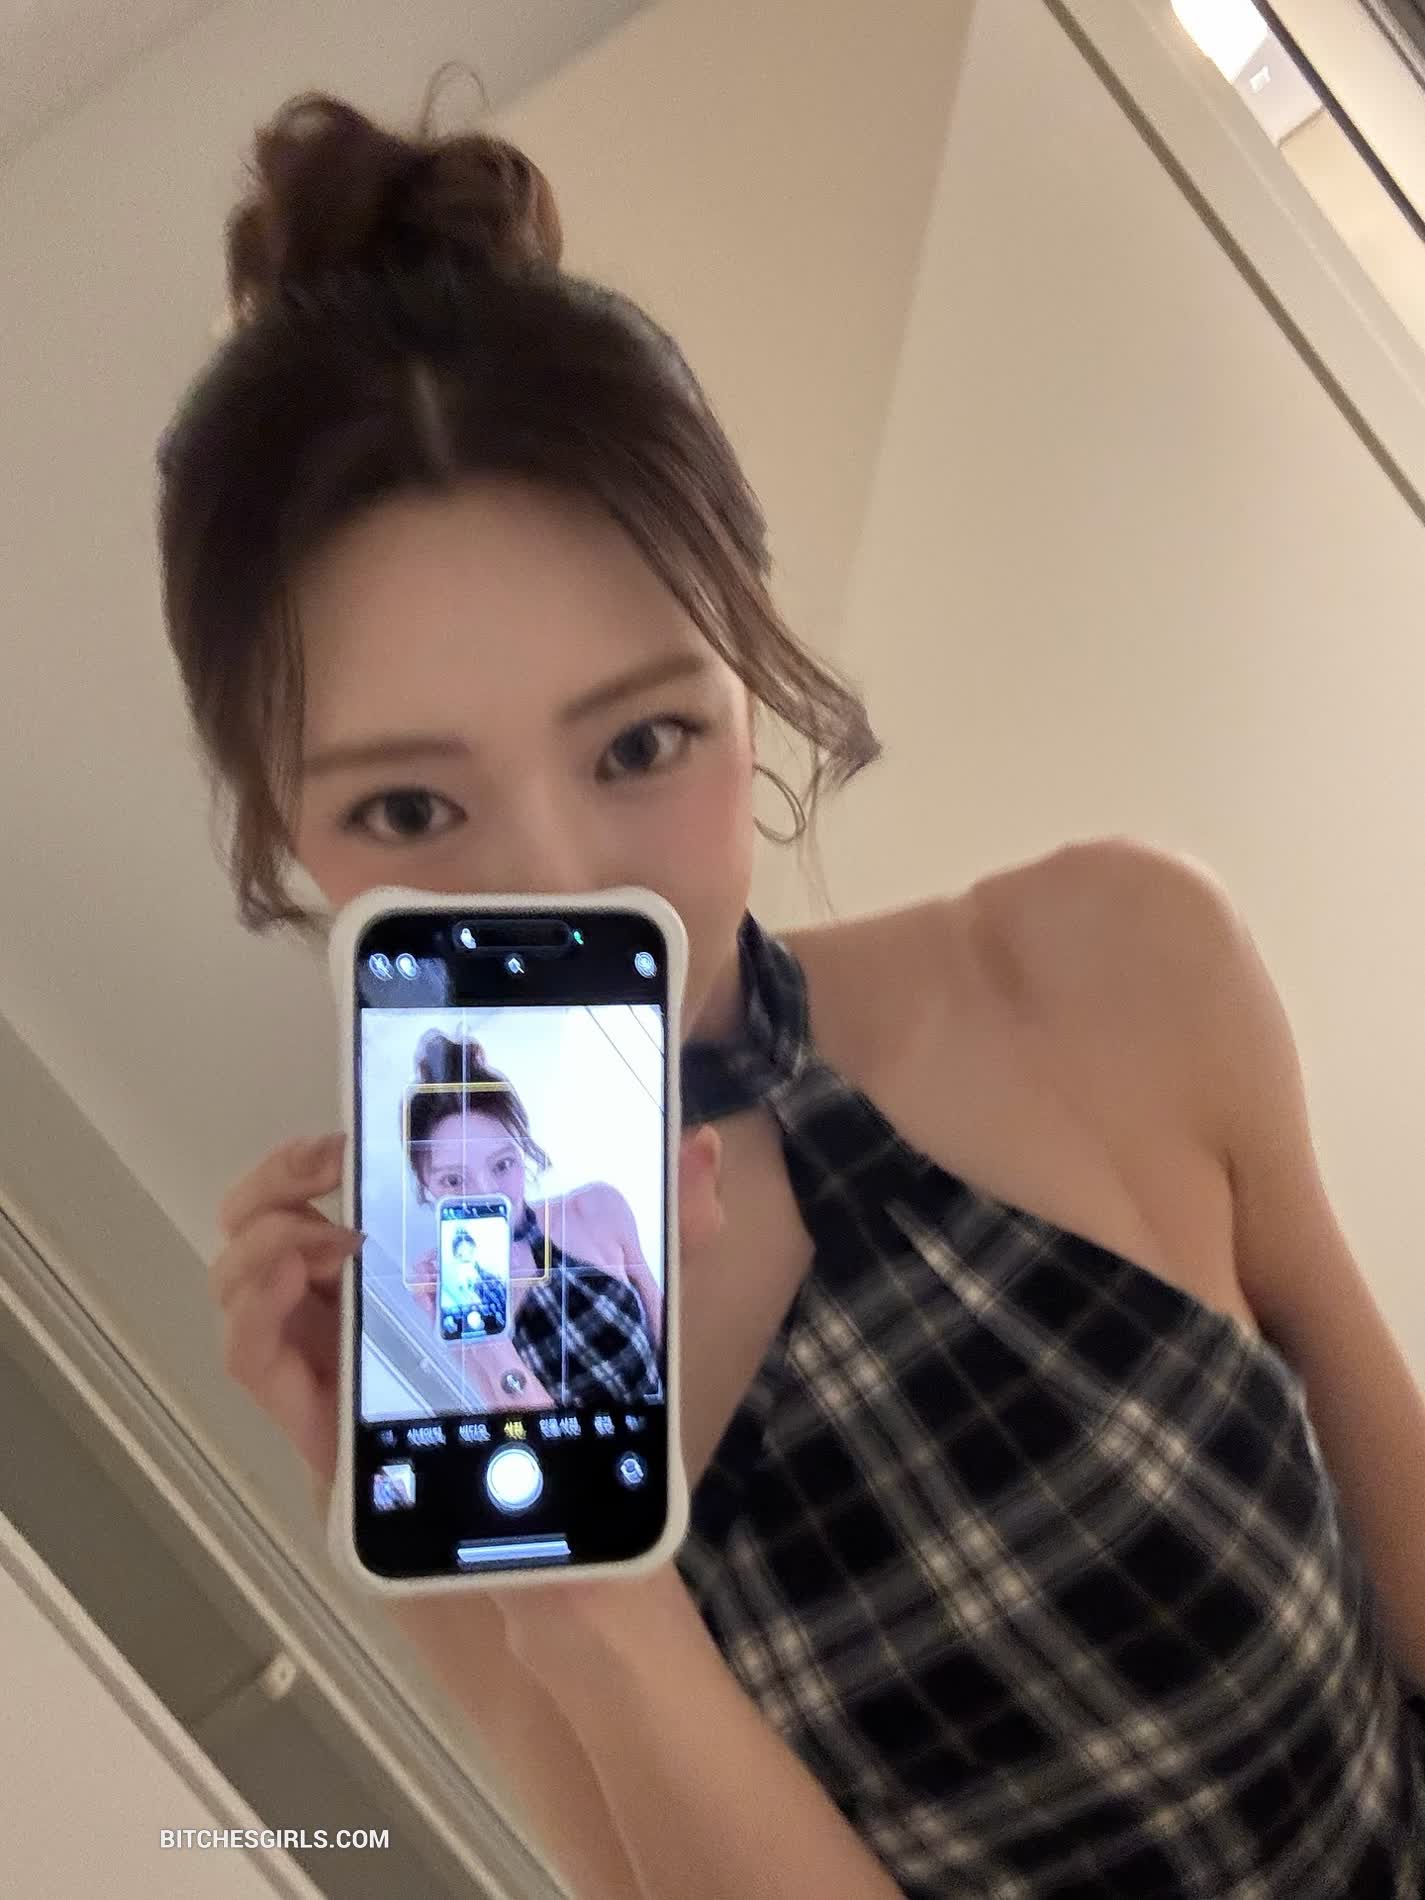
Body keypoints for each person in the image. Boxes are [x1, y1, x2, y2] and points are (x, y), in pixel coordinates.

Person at [174, 85, 1425, 1900]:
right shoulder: (434, 1383)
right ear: (292, 839)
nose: (564, 886)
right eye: (411, 809)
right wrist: (576, 1604)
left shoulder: (1117, 963)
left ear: (746, 667)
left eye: (639, 743)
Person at [402, 1027, 663, 1408]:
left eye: (502, 1165)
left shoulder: (596, 1208)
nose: (487, 1194)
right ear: (428, 1188)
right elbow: (520, 1427)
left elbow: (666, 1327)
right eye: (454, 1180)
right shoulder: (452, 1298)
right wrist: (484, 1336)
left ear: (522, 1151)